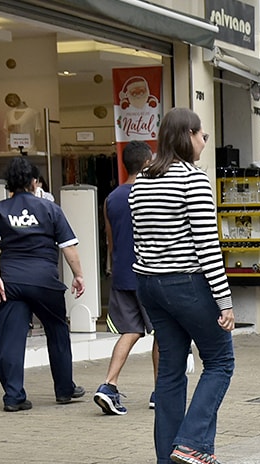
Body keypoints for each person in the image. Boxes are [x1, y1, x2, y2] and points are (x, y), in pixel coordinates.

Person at [130, 107, 236, 464]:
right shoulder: (193, 179)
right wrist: (224, 301)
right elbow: (208, 245)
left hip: (149, 283)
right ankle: (193, 444)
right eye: (202, 135)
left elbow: (139, 238)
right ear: (188, 135)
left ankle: (168, 459)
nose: (205, 142)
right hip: (187, 281)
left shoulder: (141, 179)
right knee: (221, 361)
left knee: (171, 369)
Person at [0, 156, 86, 413]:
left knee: (10, 339)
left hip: (10, 281)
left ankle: (14, 396)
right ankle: (64, 389)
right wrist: (78, 275)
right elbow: (68, 246)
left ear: (9, 185)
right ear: (34, 182)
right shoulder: (50, 209)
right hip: (44, 281)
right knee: (57, 331)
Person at [94, 140, 158, 416]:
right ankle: (161, 391)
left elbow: (110, 241)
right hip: (151, 272)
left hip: (122, 273)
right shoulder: (150, 195)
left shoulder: (111, 198)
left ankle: (109, 384)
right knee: (164, 334)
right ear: (146, 164)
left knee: (130, 331)